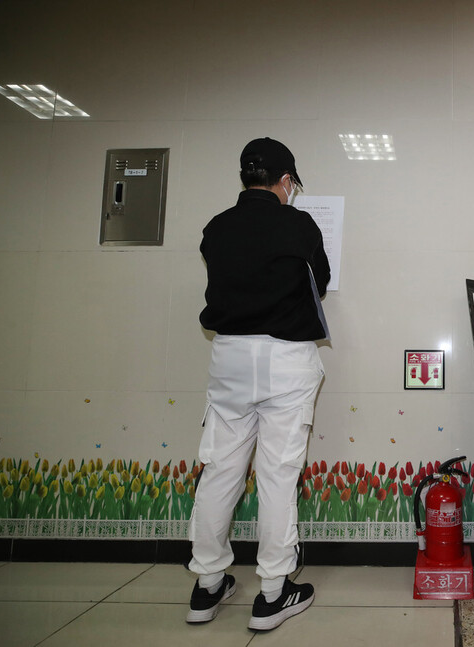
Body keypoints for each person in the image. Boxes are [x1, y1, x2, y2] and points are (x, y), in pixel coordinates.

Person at [186, 137, 329, 631]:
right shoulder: (299, 224)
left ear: (246, 178)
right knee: (277, 474)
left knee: (220, 470)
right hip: (286, 359)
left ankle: (206, 587)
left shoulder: (216, 228)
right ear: (286, 182)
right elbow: (321, 282)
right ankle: (272, 594)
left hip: (228, 357)